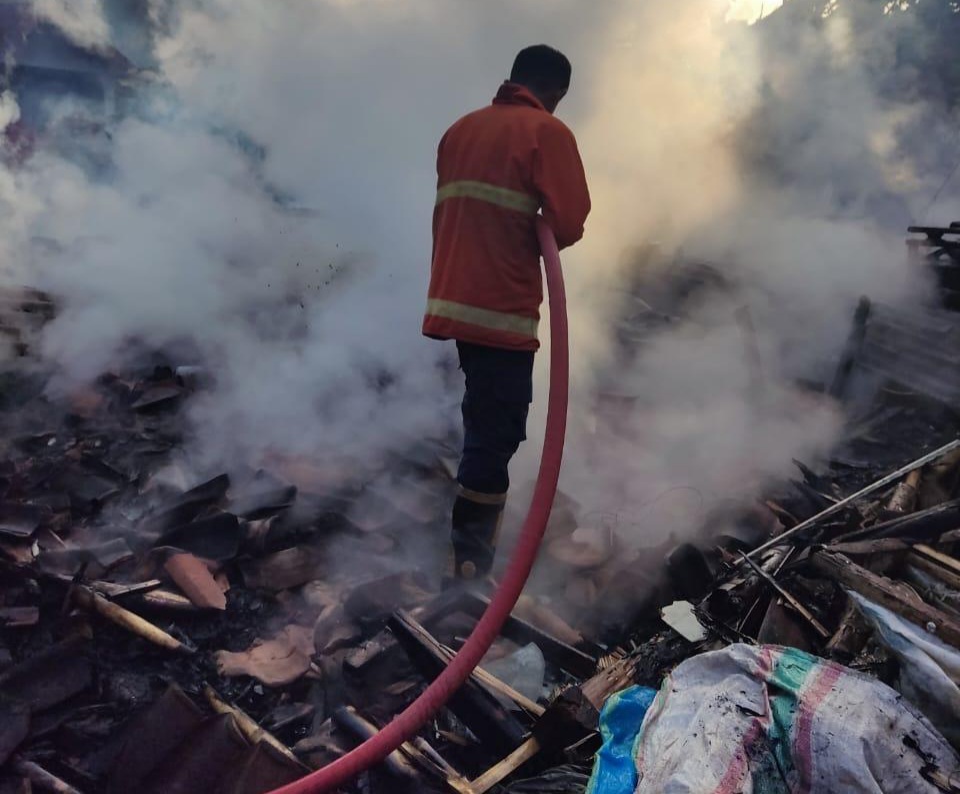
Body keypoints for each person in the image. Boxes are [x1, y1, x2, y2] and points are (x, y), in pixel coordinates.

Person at [423, 44, 591, 582]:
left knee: (484, 418)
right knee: (497, 434)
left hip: (456, 305)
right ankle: (469, 570)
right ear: (556, 93)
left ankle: (466, 548)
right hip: (502, 311)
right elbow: (569, 221)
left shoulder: (461, 129)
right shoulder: (547, 133)